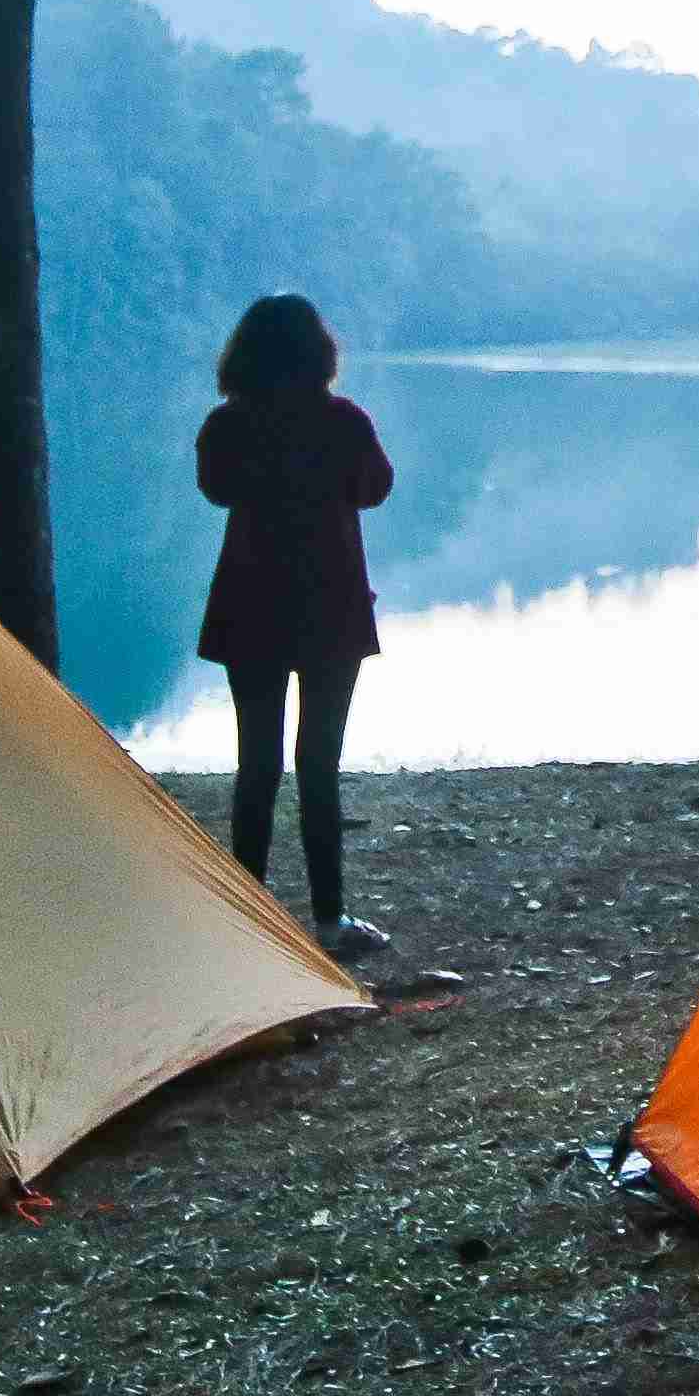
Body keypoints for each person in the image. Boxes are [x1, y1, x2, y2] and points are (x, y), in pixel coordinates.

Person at [196, 292, 393, 963]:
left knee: (256, 765)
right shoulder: (345, 422)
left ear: (243, 353)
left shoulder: (226, 426)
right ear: (320, 351)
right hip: (331, 613)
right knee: (319, 766)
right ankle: (330, 920)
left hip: (249, 608)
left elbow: (215, 491)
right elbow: (375, 489)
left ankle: (248, 917)